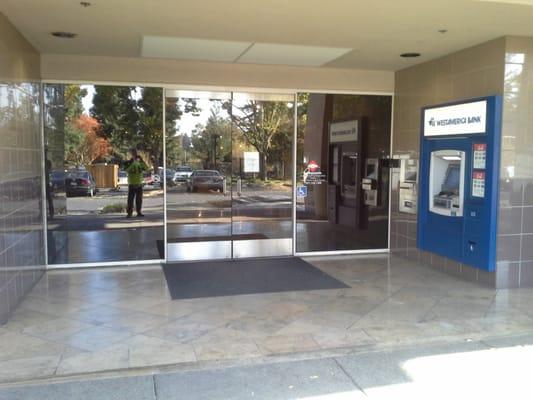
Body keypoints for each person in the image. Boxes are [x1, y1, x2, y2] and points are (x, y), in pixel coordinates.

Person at [124, 149, 148, 218]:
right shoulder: (129, 162)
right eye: (133, 153)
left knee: (139, 200)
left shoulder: (140, 162)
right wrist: (132, 162)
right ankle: (129, 213)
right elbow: (127, 170)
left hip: (139, 183)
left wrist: (142, 161)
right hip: (132, 183)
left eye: (135, 153)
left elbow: (146, 168)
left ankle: (139, 212)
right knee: (130, 200)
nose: (135, 155)